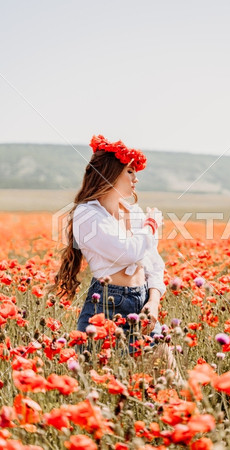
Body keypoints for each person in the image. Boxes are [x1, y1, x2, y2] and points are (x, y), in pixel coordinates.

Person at [47, 134, 167, 357]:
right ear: (110, 174)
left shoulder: (134, 212)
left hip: (143, 306)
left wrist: (153, 302)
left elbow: (154, 264)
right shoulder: (88, 214)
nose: (136, 179)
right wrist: (151, 226)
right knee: (98, 383)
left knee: (165, 383)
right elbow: (129, 252)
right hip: (107, 307)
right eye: (129, 172)